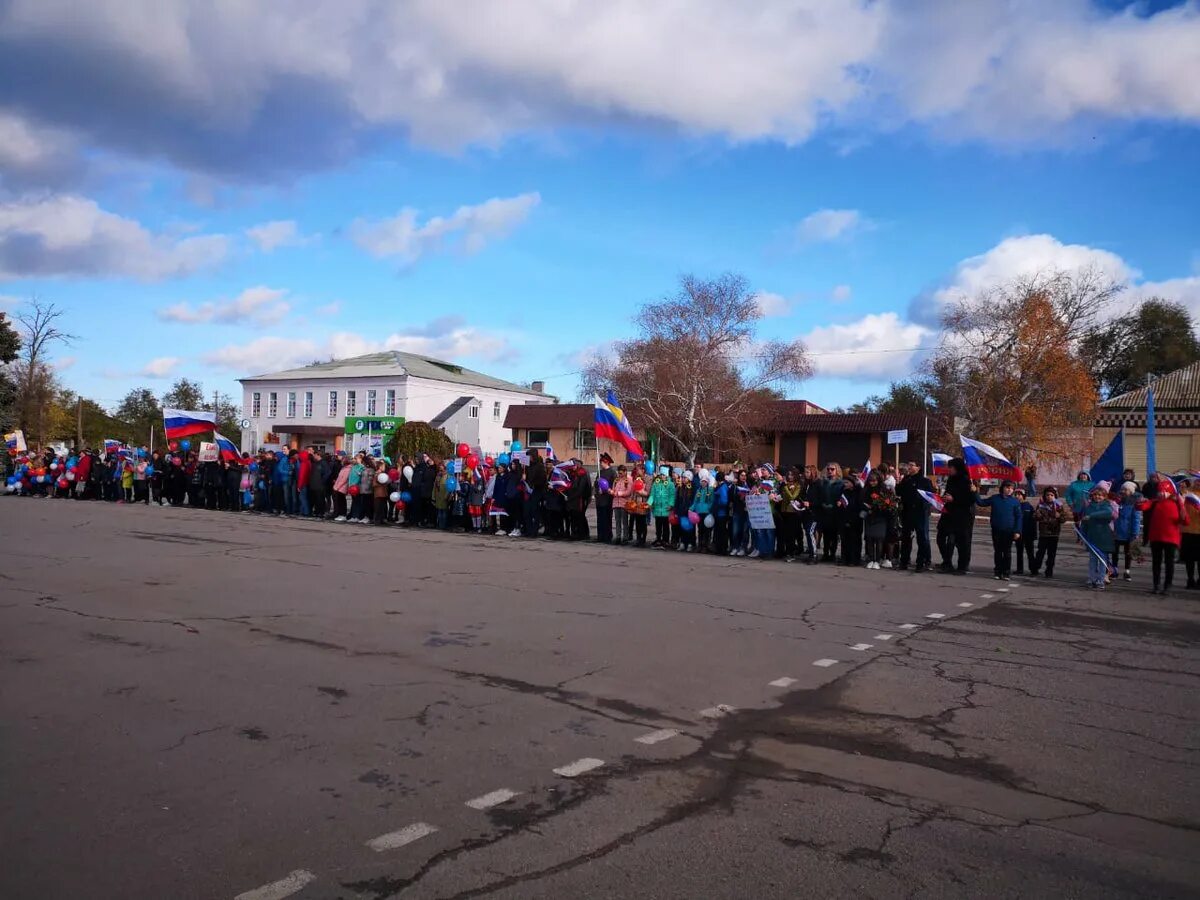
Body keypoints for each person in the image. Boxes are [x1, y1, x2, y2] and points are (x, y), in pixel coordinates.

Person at [1137, 481, 1186, 595]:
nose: (1161, 494)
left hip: (1171, 538)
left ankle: (1168, 585)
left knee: (1169, 563)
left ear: (1170, 492)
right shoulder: (1154, 502)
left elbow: (1185, 521)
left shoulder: (1177, 503)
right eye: (1159, 491)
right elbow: (1141, 507)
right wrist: (1139, 502)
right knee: (1156, 562)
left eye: (1164, 491)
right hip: (1156, 537)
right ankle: (1156, 585)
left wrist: (1182, 510)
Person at [939, 458, 977, 574]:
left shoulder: (967, 481)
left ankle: (962, 566)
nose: (949, 470)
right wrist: (943, 497)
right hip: (949, 513)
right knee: (942, 539)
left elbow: (970, 500)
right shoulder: (951, 479)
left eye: (951, 468)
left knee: (962, 542)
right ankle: (947, 562)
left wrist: (954, 499)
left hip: (962, 516)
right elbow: (948, 493)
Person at [978, 479, 1021, 580]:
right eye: (1007, 488)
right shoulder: (995, 498)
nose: (1009, 490)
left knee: (1007, 552)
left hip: (1009, 530)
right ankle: (997, 571)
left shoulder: (1015, 502)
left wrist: (1017, 531)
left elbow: (1019, 517)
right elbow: (981, 503)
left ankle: (1006, 572)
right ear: (1002, 488)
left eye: (1011, 488)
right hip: (996, 529)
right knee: (997, 551)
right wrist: (974, 492)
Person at [897, 461, 934, 572]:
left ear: (918, 467)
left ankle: (920, 563)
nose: (910, 467)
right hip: (907, 513)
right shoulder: (906, 480)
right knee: (906, 538)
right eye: (908, 465)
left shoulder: (925, 481)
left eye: (912, 465)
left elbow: (929, 497)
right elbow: (899, 492)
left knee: (921, 538)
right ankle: (904, 561)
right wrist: (899, 483)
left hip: (920, 513)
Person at [1079, 485, 1115, 589]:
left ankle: (1101, 580)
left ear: (1104, 497)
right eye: (1095, 495)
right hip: (1092, 537)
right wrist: (1082, 536)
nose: (1097, 497)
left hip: (1104, 537)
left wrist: (1091, 516)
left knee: (1102, 560)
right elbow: (1085, 523)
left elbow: (1107, 513)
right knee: (1092, 560)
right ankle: (1092, 579)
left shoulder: (1107, 505)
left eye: (1100, 495)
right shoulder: (1089, 507)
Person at [862, 470, 895, 570]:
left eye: (874, 481)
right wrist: (867, 508)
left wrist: (877, 507)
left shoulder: (883, 489)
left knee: (879, 539)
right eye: (870, 480)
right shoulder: (866, 489)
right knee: (870, 539)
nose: (872, 483)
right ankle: (871, 559)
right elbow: (861, 501)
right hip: (869, 517)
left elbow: (888, 504)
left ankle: (877, 560)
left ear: (878, 480)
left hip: (880, 518)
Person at [1113, 481, 1142, 581]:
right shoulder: (1117, 501)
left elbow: (1136, 519)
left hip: (1128, 532)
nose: (1124, 491)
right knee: (1114, 552)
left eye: (1127, 490)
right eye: (1123, 489)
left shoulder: (1135, 503)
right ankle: (1114, 570)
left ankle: (1127, 571)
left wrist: (1135, 532)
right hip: (1116, 531)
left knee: (1128, 553)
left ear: (1132, 492)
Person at [817, 463, 844, 562]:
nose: (830, 471)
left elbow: (842, 497)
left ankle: (832, 554)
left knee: (834, 535)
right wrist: (822, 504)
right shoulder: (823, 482)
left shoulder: (840, 483)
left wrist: (838, 504)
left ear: (837, 471)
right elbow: (820, 495)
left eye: (832, 469)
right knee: (826, 535)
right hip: (825, 512)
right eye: (828, 469)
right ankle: (825, 553)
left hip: (835, 512)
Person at [1178, 478, 1200, 589]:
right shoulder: (1188, 494)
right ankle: (1190, 580)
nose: (1198, 483)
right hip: (1188, 530)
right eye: (1197, 481)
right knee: (1189, 559)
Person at [1013, 487, 1037, 576]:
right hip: (1018, 533)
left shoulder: (1028, 506)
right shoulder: (1014, 506)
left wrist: (1033, 534)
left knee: (1030, 552)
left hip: (1028, 534)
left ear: (1023, 496)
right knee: (1019, 552)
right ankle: (1019, 569)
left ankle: (1033, 570)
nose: (1017, 496)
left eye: (1019, 495)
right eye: (1015, 494)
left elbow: (1033, 521)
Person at [650, 466, 676, 548]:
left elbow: (672, 495)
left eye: (664, 475)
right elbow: (652, 495)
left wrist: (671, 504)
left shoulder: (670, 484)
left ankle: (665, 540)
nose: (662, 476)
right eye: (661, 475)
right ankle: (658, 539)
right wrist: (649, 503)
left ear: (667, 475)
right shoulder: (656, 483)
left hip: (666, 509)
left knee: (665, 526)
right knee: (658, 525)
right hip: (657, 508)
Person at [524, 449, 547, 538]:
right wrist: (524, 478)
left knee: (534, 512)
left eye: (530, 456)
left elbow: (542, 480)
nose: (528, 458)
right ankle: (529, 530)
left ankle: (534, 531)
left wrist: (533, 485)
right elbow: (526, 478)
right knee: (527, 512)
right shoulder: (527, 466)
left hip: (536, 491)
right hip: (528, 491)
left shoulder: (540, 466)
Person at [595, 453, 616, 543]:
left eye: (602, 462)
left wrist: (607, 490)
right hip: (599, 499)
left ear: (606, 462)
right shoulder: (600, 472)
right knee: (600, 519)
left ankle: (607, 536)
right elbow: (596, 483)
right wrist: (597, 490)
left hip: (607, 499)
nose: (600, 464)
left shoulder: (612, 472)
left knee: (607, 518)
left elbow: (614, 485)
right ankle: (600, 536)